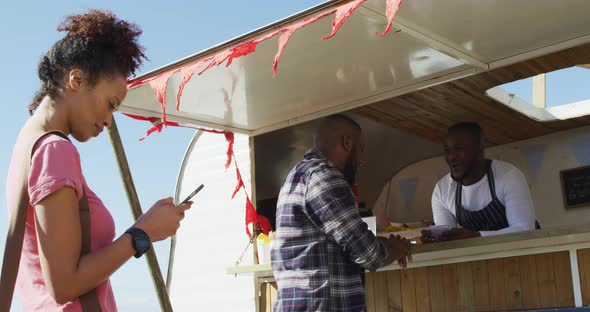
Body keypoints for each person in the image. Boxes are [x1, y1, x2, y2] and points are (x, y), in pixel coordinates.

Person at [5, 10, 191, 311]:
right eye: (110, 105)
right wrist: (142, 234)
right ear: (76, 79)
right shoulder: (55, 151)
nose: (108, 121)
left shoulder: (27, 145)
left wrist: (144, 226)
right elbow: (63, 285)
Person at [271, 114, 411, 312]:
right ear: (347, 143)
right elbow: (368, 253)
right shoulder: (324, 177)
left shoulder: (295, 176)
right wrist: (397, 247)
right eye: (361, 151)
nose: (361, 161)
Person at [423, 122, 535, 242]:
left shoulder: (509, 176)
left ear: (480, 150)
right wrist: (437, 239)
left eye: (459, 149)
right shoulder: (441, 190)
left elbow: (524, 230)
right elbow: (448, 239)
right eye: (447, 150)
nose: (451, 157)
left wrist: (477, 236)